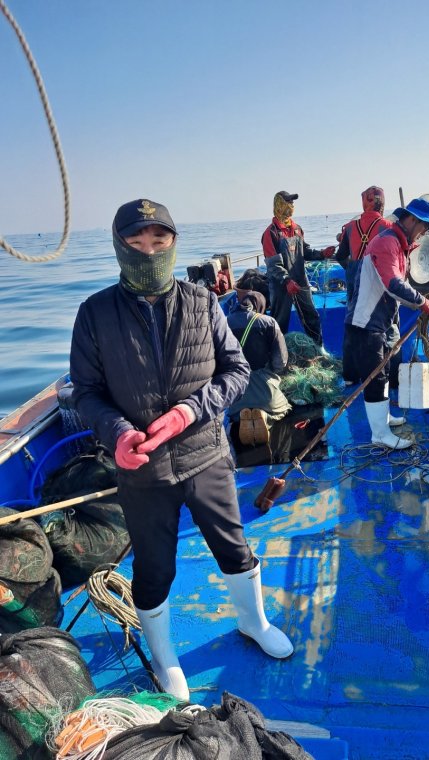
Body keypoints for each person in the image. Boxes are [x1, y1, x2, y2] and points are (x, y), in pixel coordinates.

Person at [69, 198, 293, 702]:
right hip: (142, 470)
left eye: (159, 240)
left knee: (234, 549)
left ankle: (252, 623)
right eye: (136, 241)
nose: (148, 251)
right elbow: (85, 391)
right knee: (154, 567)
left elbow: (236, 373)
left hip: (205, 455)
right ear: (119, 245)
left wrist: (190, 412)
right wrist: (119, 433)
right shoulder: (94, 314)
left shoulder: (201, 302)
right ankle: (167, 658)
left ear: (173, 243)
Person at [343, 198, 429, 449]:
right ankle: (379, 434)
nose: (424, 233)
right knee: (375, 378)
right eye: (423, 226)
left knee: (384, 373)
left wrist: (423, 302)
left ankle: (384, 418)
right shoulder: (387, 243)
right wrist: (424, 304)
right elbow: (394, 285)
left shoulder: (400, 246)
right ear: (410, 219)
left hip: (381, 323)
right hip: (366, 324)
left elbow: (399, 285)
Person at [261, 190, 336, 346]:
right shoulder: (271, 233)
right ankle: (277, 357)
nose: (291, 205)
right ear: (279, 204)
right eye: (288, 202)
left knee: (311, 316)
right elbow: (273, 264)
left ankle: (318, 349)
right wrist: (287, 280)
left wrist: (322, 254)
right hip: (281, 285)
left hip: (300, 280)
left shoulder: (297, 229)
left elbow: (305, 252)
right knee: (279, 322)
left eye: (292, 202)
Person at [226, 290, 291, 446]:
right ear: (260, 306)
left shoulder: (223, 323)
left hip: (235, 391)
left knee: (233, 414)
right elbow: (280, 362)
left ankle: (241, 417)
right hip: (265, 391)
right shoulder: (269, 322)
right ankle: (265, 418)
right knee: (282, 409)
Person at [336, 185, 391, 304]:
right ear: (382, 202)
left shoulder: (349, 227)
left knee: (354, 318)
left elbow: (340, 256)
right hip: (379, 288)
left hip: (355, 286)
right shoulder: (388, 227)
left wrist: (352, 268)